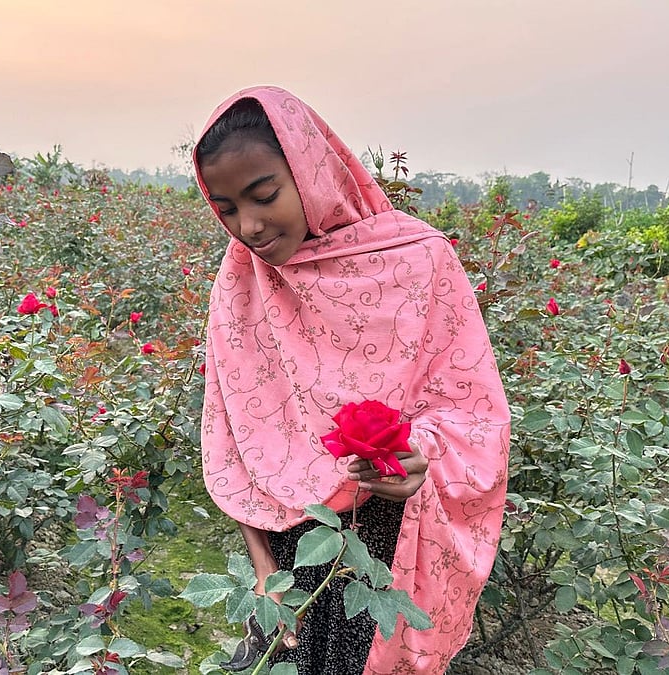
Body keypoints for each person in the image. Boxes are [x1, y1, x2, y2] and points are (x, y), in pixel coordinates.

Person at [194, 86, 510, 674]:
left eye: (264, 196)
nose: (250, 226)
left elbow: (476, 417)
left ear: (311, 174)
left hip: (387, 546)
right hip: (293, 555)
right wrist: (264, 572)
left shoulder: (418, 262)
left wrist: (420, 458)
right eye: (228, 208)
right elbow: (241, 446)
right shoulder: (242, 281)